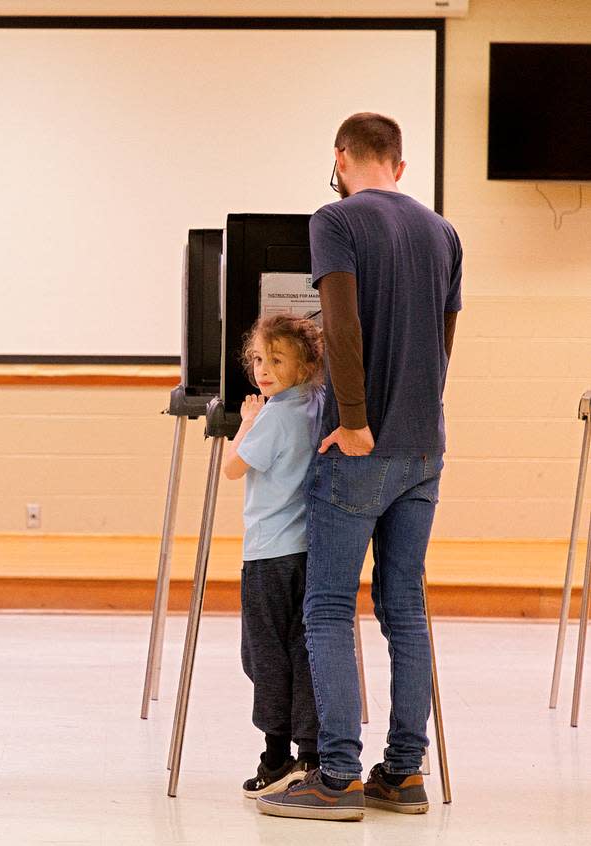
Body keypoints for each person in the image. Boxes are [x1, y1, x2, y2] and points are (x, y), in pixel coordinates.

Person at [258, 113, 462, 821]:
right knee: (404, 608)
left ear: (341, 159)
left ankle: (338, 777)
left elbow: (340, 325)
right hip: (424, 447)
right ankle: (404, 774)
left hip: (361, 446)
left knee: (327, 607)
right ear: (399, 167)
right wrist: (415, 423)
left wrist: (351, 421)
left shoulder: (336, 219)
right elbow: (443, 341)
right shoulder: (444, 232)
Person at [223, 314, 325, 798]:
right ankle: (310, 753)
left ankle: (274, 757)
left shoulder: (276, 414)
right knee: (303, 651)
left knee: (263, 654)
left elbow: (232, 468)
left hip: (268, 554)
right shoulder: (317, 403)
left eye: (277, 359)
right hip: (309, 550)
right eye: (260, 358)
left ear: (305, 364)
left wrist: (247, 420)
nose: (263, 370)